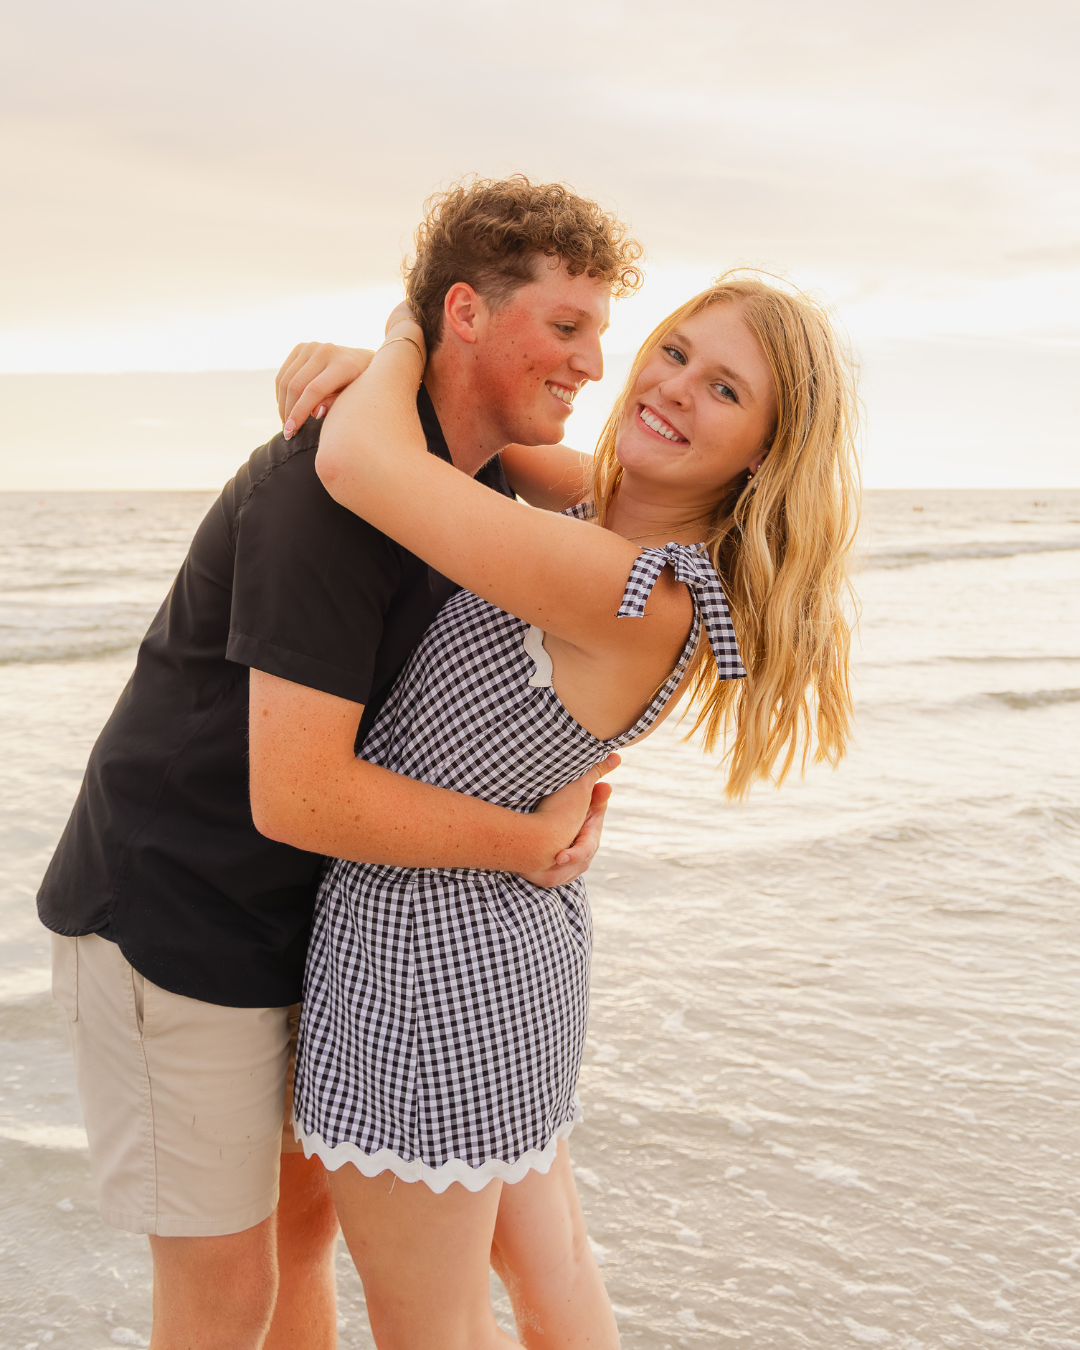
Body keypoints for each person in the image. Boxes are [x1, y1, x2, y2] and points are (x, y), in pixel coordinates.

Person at [36, 177, 643, 1350]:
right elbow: (298, 790)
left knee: (306, 1238)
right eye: (566, 328)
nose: (592, 364)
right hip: (179, 922)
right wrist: (528, 848)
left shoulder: (470, 477)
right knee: (224, 1296)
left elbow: (653, 505)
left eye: (599, 333)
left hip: (312, 922)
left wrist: (391, 343)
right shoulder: (329, 486)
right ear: (467, 314)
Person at [281, 267, 860, 1347]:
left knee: (429, 1329)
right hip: (501, 948)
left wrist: (413, 326)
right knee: (555, 1291)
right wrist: (398, 380)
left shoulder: (623, 584)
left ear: (762, 456)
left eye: (727, 391)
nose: (678, 387)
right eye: (679, 352)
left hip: (425, 960)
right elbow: (475, 449)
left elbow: (363, 462)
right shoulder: (609, 527)